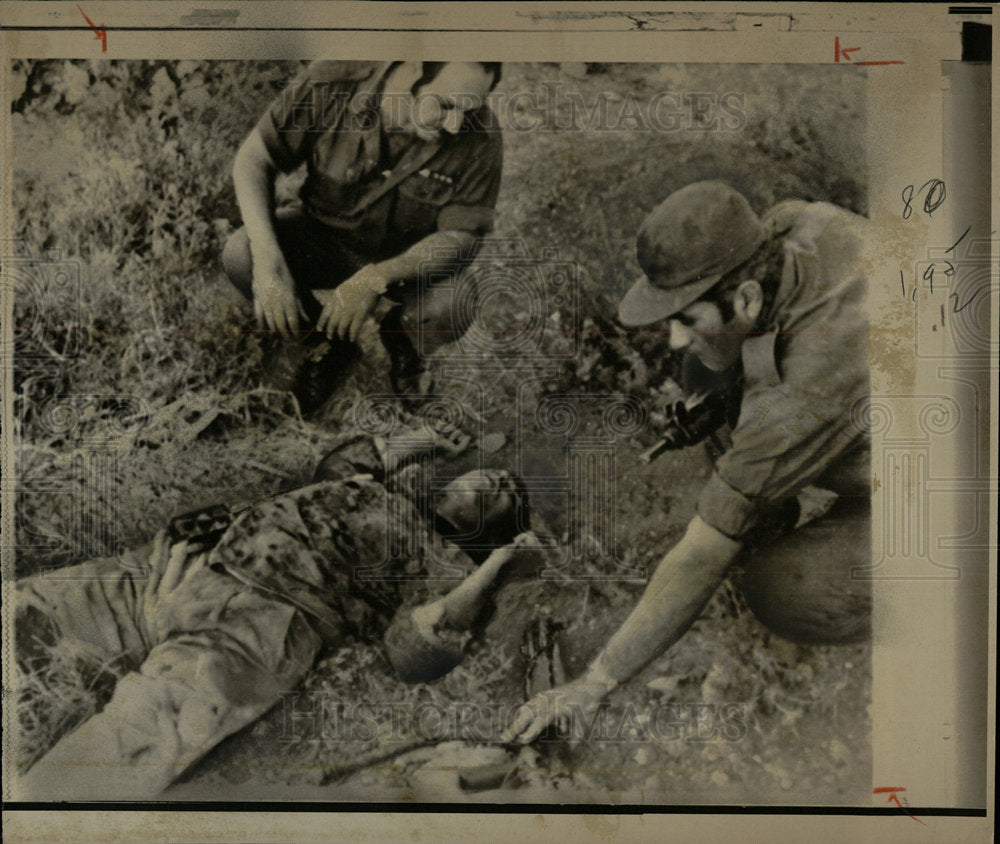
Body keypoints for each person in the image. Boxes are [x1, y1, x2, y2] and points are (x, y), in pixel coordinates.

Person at [505, 180, 871, 743]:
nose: (673, 339)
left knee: (782, 590)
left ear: (748, 298)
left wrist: (593, 684)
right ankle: (769, 506)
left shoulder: (810, 382)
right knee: (706, 374)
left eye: (688, 319)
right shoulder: (800, 225)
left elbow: (701, 554)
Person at [14, 433, 533, 800]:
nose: (503, 480)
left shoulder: (445, 561)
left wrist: (497, 565)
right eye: (500, 477)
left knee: (140, 736)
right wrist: (426, 440)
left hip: (260, 623)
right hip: (177, 566)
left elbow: (417, 648)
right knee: (26, 613)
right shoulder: (379, 484)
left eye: (507, 497)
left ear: (485, 535)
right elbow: (343, 462)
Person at [222, 61, 504, 409]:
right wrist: (268, 257)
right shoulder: (332, 83)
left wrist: (376, 279)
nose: (455, 124)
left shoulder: (479, 132)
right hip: (322, 238)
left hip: (404, 263)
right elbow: (254, 159)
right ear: (412, 72)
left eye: (468, 110)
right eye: (445, 105)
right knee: (241, 252)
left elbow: (462, 238)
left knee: (455, 301)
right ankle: (327, 341)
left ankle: (404, 344)